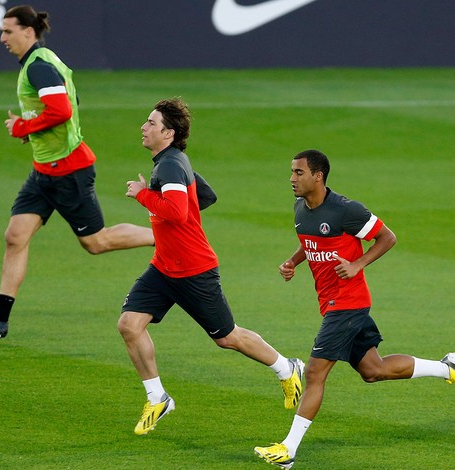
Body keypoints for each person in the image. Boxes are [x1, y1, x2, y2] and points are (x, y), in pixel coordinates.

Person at [0, 5, 154, 338]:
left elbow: (61, 109)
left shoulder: (39, 67)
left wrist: (23, 126)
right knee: (15, 236)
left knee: (96, 241)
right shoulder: (43, 60)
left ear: (28, 32)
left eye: (8, 31)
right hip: (44, 171)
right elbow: (71, 102)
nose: (2, 38)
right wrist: (36, 131)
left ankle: (163, 236)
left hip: (68, 171)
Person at [254, 149, 455, 469]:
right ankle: (448, 368)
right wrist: (293, 262)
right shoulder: (300, 209)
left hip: (347, 304)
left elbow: (387, 238)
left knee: (316, 371)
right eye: (291, 172)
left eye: (298, 172)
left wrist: (358, 263)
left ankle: (288, 449)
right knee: (373, 370)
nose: (292, 178)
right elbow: (310, 242)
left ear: (318, 176)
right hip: (334, 304)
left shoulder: (346, 210)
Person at [119, 97, 305, 436]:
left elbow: (175, 212)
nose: (144, 128)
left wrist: (143, 194)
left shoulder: (170, 166)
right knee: (130, 324)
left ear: (168, 132)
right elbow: (205, 197)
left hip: (193, 270)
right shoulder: (174, 161)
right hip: (164, 267)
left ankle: (287, 367)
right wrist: (178, 223)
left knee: (227, 337)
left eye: (150, 123)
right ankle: (157, 397)